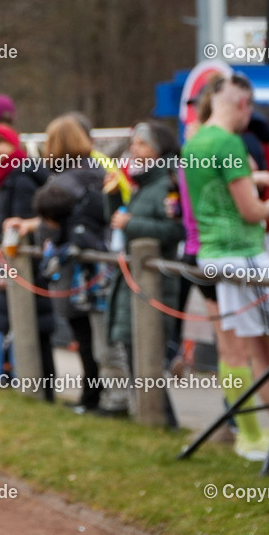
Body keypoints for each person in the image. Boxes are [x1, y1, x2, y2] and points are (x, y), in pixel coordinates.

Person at [182, 72, 269, 451]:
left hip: (215, 256)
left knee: (253, 350)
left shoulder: (195, 142)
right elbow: (249, 210)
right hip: (244, 256)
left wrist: (264, 199)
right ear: (243, 104)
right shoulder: (230, 142)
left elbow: (221, 193)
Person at [8, 115, 107, 411]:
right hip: (100, 260)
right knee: (98, 338)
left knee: (86, 337)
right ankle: (98, 397)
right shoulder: (96, 171)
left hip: (77, 270)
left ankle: (92, 399)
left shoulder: (65, 181)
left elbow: (52, 219)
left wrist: (37, 228)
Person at [104, 121, 183, 421]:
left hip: (156, 284)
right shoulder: (143, 185)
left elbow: (175, 230)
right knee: (133, 350)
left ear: (158, 150)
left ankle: (163, 422)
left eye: (141, 144)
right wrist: (111, 195)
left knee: (149, 358)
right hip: (134, 281)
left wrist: (131, 225)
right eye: (133, 144)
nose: (133, 150)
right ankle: (150, 421)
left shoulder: (168, 185)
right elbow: (116, 224)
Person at [0, 123, 56, 397]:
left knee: (37, 327)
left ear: (14, 147)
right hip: (18, 263)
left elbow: (19, 227)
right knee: (27, 326)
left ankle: (42, 391)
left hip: (28, 267)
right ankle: (31, 386)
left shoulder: (21, 178)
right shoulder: (8, 177)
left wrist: (7, 268)